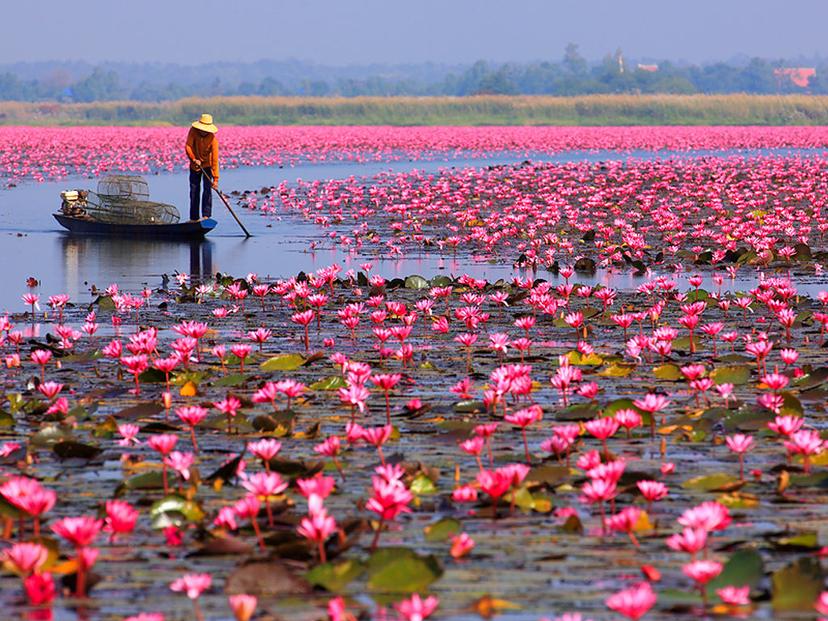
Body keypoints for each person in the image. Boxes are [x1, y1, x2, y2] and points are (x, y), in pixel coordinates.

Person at [185, 113, 219, 221]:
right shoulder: (193, 131)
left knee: (207, 190)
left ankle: (206, 216)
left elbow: (215, 159)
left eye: (206, 130)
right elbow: (188, 146)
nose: (203, 131)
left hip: (207, 166)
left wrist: (216, 179)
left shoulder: (213, 139)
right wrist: (194, 159)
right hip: (194, 165)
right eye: (202, 129)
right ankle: (194, 218)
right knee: (194, 190)